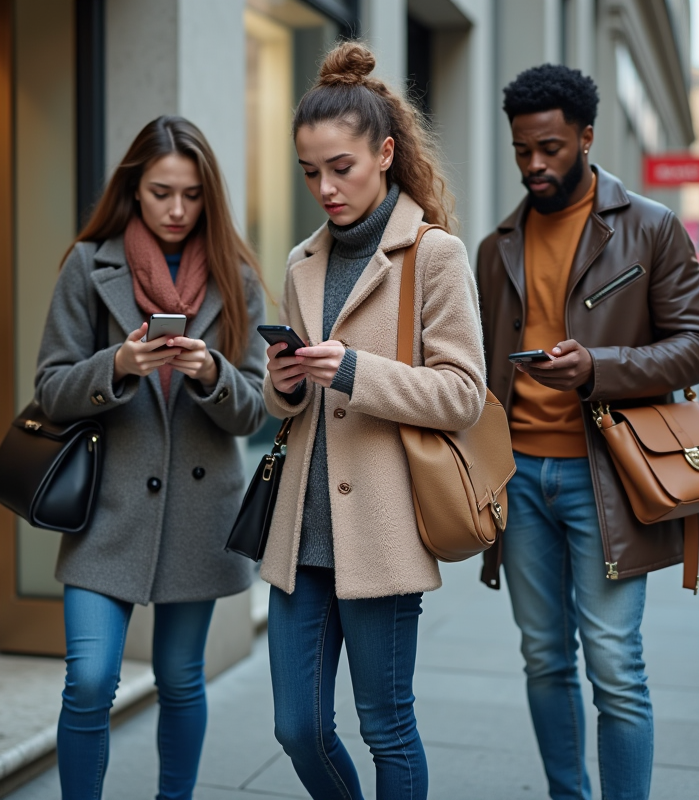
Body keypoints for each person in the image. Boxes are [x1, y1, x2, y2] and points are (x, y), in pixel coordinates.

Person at [476, 65, 699, 800]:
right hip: (519, 477)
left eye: (550, 148)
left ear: (586, 137)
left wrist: (598, 368)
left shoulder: (650, 226)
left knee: (614, 664)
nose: (534, 164)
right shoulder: (497, 245)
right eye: (522, 150)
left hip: (608, 476)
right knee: (543, 657)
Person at [260, 42, 486, 799]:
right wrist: (284, 385)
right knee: (298, 728)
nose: (325, 188)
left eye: (341, 168)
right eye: (310, 172)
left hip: (383, 528)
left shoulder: (435, 255)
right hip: (301, 531)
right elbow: (292, 404)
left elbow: (464, 393)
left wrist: (355, 371)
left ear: (385, 154)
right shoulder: (303, 262)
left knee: (386, 725)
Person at [34, 116, 267, 800]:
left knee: (181, 678)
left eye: (192, 195)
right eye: (162, 192)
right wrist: (118, 365)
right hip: (106, 510)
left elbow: (254, 410)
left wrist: (211, 373)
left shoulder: (236, 276)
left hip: (197, 510)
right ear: (134, 188)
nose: (177, 210)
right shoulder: (89, 265)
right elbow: (50, 390)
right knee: (89, 680)